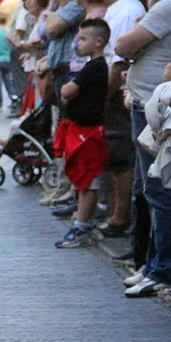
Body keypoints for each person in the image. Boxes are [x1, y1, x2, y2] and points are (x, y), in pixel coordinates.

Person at [117, 0, 171, 297]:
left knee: (159, 189)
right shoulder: (170, 6)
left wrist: (138, 47)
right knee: (150, 188)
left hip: (158, 107)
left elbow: (123, 46)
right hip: (153, 103)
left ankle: (164, 268)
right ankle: (154, 264)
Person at [96, 0, 145, 239]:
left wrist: (106, 94)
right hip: (113, 91)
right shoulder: (119, 9)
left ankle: (121, 217)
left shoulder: (127, 11)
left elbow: (119, 61)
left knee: (121, 157)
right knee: (115, 157)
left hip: (118, 93)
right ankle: (117, 212)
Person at [54, 19, 110, 248]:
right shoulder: (93, 66)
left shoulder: (95, 67)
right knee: (86, 180)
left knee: (87, 180)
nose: (79, 43)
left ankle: (82, 225)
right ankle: (87, 222)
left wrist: (66, 89)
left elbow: (68, 90)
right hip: (83, 129)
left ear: (98, 42)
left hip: (87, 133)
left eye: (84, 39)